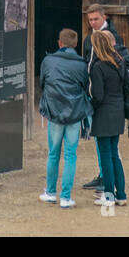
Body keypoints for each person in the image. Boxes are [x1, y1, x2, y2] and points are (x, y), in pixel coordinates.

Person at [37, 28, 92, 209]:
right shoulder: (82, 64)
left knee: (53, 154)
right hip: (75, 113)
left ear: (59, 43)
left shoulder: (48, 61)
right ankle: (66, 197)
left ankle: (51, 193)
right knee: (70, 155)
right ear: (75, 44)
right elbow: (85, 86)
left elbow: (42, 83)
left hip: (54, 112)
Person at [81, 3, 125, 191]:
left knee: (110, 149)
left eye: (95, 19)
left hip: (107, 98)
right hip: (100, 96)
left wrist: (95, 98)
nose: (93, 23)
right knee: (105, 148)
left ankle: (111, 186)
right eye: (90, 20)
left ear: (104, 18)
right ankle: (105, 178)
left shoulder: (113, 37)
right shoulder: (87, 39)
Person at [88, 29, 127, 208]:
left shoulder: (98, 67)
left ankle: (109, 195)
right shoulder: (119, 62)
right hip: (118, 111)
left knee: (105, 157)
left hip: (104, 114)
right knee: (114, 155)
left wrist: (90, 106)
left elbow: (98, 95)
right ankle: (122, 194)